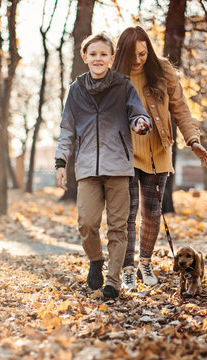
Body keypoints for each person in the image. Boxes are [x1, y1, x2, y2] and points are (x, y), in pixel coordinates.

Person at [112, 26, 207, 290]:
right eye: (132, 55)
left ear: (149, 50)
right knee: (129, 214)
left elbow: (180, 107)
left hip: (158, 151)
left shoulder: (164, 70)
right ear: (122, 52)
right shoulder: (114, 75)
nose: (138, 60)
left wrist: (193, 141)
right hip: (126, 154)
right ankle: (127, 269)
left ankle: (145, 262)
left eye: (143, 54)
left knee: (153, 214)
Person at [55, 32, 152, 299]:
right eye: (93, 54)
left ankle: (113, 282)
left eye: (103, 54)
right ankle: (96, 260)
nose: (98, 58)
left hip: (119, 167)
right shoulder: (76, 90)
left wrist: (141, 124)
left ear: (111, 58)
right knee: (86, 223)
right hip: (86, 168)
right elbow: (67, 130)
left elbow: (138, 113)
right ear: (85, 57)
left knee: (119, 228)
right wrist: (61, 162)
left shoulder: (123, 86)